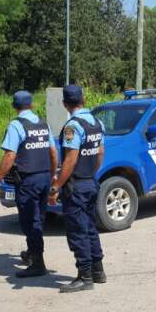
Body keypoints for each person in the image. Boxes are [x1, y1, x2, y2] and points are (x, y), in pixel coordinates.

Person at [0, 91, 58, 278]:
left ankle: (37, 263)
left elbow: (10, 155)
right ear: (32, 105)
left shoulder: (16, 125)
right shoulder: (43, 124)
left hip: (28, 180)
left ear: (14, 106)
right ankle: (31, 253)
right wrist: (52, 175)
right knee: (38, 218)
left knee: (30, 220)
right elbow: (53, 152)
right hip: (44, 178)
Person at [48, 84, 105, 293]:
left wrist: (56, 186)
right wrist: (91, 173)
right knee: (90, 227)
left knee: (78, 231)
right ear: (84, 100)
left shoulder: (72, 126)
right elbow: (100, 153)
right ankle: (98, 271)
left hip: (76, 185)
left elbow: (70, 160)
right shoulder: (96, 122)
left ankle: (85, 276)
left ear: (65, 104)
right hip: (90, 181)